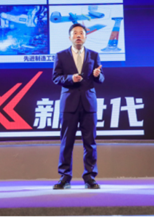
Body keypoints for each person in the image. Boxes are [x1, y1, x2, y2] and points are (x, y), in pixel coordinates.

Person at [52, 23, 104, 189]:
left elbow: (101, 79)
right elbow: (56, 78)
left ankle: (90, 177)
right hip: (69, 104)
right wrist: (70, 79)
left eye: (81, 33)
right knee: (66, 142)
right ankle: (65, 177)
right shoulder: (61, 55)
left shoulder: (94, 55)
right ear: (70, 37)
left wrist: (97, 75)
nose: (78, 36)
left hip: (89, 104)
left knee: (90, 142)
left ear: (86, 37)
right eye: (75, 33)